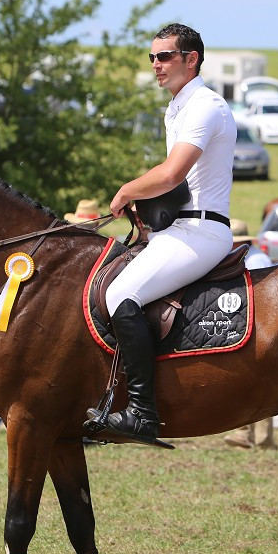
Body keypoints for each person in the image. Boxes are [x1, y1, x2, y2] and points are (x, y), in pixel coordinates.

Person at [89, 22, 236, 445]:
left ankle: (142, 413)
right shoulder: (176, 108)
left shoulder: (205, 105)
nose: (156, 64)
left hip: (202, 231)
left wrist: (127, 190)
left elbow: (172, 173)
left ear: (191, 59)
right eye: (152, 56)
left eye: (165, 56)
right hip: (179, 227)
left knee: (120, 295)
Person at [223, 219, 276, 449]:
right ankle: (251, 435)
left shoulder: (254, 260)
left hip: (257, 322)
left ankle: (253, 435)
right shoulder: (248, 256)